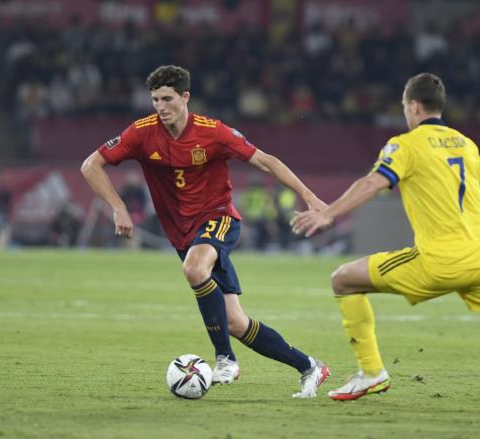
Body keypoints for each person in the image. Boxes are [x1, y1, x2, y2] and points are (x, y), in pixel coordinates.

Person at [292, 73, 480, 401]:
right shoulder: (466, 144)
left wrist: (327, 213)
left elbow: (372, 183)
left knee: (343, 279)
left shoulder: (405, 145)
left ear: (413, 106)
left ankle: (371, 373)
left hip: (437, 261)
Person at [81, 65, 330, 398]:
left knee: (195, 269)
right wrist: (118, 206)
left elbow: (267, 161)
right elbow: (90, 165)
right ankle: (310, 367)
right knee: (234, 323)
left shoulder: (213, 132)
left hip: (219, 218)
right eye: (155, 99)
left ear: (185, 97)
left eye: (167, 98)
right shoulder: (141, 133)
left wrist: (309, 195)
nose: (160, 106)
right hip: (182, 233)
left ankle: (225, 359)